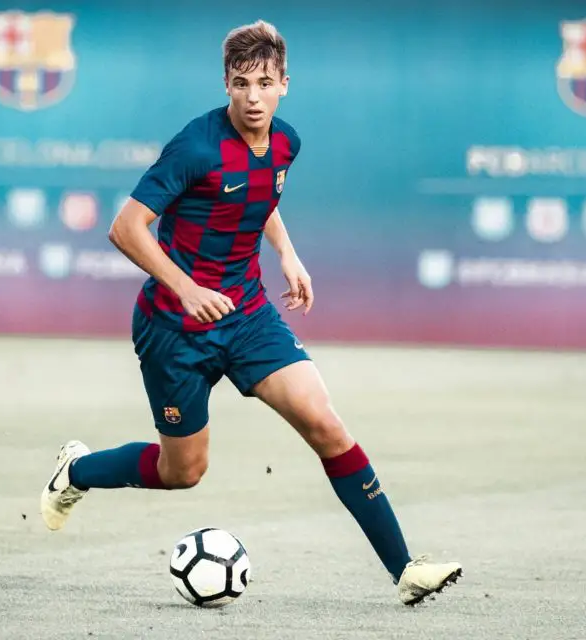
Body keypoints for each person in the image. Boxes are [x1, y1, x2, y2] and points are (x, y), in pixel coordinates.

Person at [40, 19, 461, 605]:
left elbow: (258, 196)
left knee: (325, 423)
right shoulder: (195, 147)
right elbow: (126, 227)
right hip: (175, 328)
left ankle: (405, 569)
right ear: (226, 85)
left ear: (285, 83)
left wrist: (287, 253)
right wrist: (186, 288)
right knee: (183, 471)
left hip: (246, 315)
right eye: (241, 84)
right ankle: (77, 471)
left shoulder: (286, 143)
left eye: (265, 83)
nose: (253, 97)